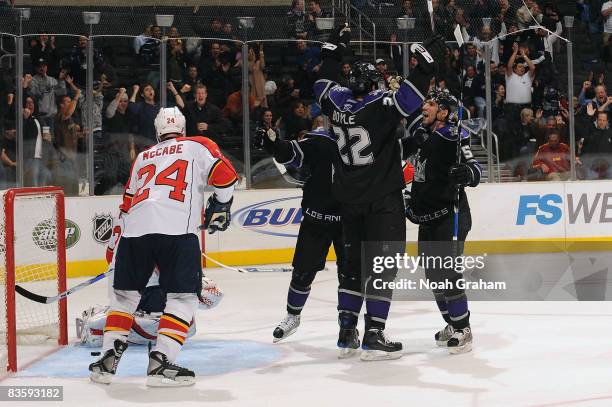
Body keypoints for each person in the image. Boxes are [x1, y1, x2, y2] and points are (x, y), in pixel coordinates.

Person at [313, 24, 446, 360]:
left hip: (348, 200)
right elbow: (411, 98)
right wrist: (425, 63)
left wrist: (333, 51)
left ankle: (346, 330)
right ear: (373, 84)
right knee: (383, 265)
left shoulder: (336, 102)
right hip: (382, 200)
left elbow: (321, 84)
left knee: (354, 268)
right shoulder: (379, 104)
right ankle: (374, 331)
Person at [88, 107, 238, 387]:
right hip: (177, 231)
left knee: (123, 298)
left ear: (157, 133)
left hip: (133, 233)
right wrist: (222, 204)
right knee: (183, 300)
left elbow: (126, 206)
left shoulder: (143, 156)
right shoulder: (197, 144)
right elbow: (226, 176)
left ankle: (106, 361)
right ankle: (160, 364)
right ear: (183, 129)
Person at [402, 89, 481, 354]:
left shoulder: (453, 136)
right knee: (433, 275)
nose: (425, 106)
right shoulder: (424, 134)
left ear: (444, 112)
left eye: (431, 103)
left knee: (448, 274)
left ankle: (463, 329)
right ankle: (452, 322)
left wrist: (466, 173)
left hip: (452, 215)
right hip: (428, 218)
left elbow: (476, 170)